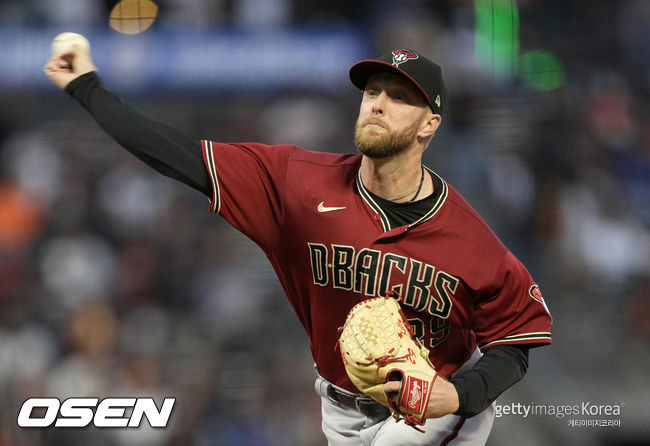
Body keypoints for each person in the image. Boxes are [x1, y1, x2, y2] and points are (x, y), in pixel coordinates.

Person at [44, 45, 552, 445]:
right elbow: (177, 154)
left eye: (400, 97)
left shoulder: (469, 238)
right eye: (373, 90)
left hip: (433, 416)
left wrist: (459, 395)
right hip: (339, 410)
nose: (377, 103)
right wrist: (86, 86)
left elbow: (518, 337)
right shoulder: (298, 185)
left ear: (430, 124)